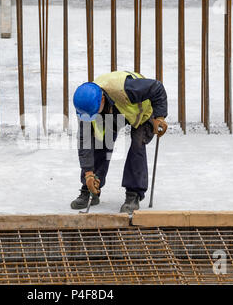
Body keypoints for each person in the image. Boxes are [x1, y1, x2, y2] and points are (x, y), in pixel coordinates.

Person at [72, 71, 168, 214]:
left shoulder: (128, 88)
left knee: (137, 144)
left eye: (94, 113)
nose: (93, 117)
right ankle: (91, 189)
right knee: (100, 142)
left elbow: (157, 87)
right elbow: (85, 142)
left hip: (141, 111)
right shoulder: (87, 107)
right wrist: (88, 174)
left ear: (102, 99)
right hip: (113, 111)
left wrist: (159, 116)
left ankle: (133, 195)